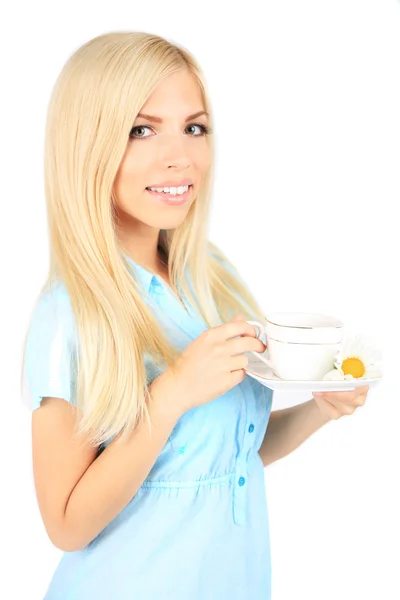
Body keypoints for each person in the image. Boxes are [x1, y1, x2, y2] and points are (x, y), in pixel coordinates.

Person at [21, 31, 369, 600]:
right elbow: (64, 523)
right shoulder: (69, 315)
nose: (179, 156)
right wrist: (173, 392)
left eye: (194, 127)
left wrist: (319, 411)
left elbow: (230, 449)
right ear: (88, 144)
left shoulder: (210, 277)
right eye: (141, 129)